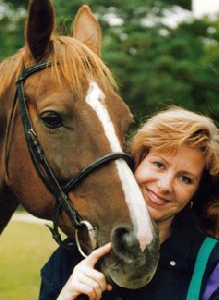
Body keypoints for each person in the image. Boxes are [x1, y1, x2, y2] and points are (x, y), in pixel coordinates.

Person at [39, 106, 219, 300]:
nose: (165, 185)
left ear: (196, 191)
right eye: (159, 164)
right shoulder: (72, 255)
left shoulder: (211, 265)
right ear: (136, 161)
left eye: (185, 178)